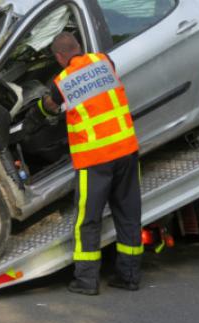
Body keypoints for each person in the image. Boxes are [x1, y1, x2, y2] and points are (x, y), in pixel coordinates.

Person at [37, 32, 142, 295]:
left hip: (94, 160)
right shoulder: (105, 61)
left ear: (60, 57)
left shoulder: (60, 82)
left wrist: (37, 110)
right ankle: (129, 276)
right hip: (126, 151)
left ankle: (86, 280)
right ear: (79, 48)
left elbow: (51, 106)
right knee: (128, 215)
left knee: (88, 220)